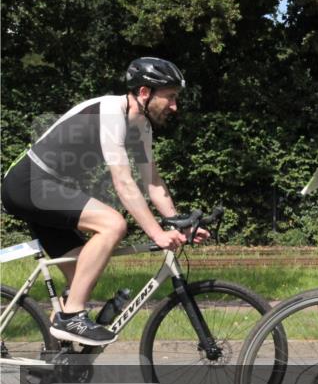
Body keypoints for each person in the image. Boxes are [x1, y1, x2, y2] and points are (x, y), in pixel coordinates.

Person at [1, 57, 208, 346]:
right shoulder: (110, 112)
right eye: (170, 96)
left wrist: (177, 224)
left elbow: (153, 183)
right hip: (29, 183)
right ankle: (71, 317)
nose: (175, 105)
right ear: (145, 92)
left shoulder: (141, 128)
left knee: (82, 278)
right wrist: (157, 234)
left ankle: (58, 360)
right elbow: (123, 182)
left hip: (50, 188)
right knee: (112, 224)